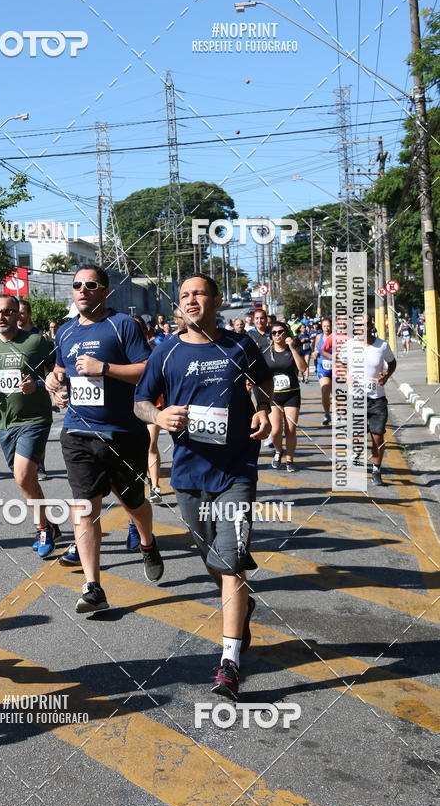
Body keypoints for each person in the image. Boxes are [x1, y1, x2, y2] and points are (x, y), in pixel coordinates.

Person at [135, 273, 273, 700]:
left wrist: (264, 410)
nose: (190, 300)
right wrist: (158, 417)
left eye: (198, 294)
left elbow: (265, 383)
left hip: (236, 472)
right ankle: (242, 605)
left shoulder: (239, 345)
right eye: (184, 296)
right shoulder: (166, 351)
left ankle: (229, 662)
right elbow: (140, 402)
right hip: (189, 476)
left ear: (215, 302)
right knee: (213, 561)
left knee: (231, 563)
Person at [45, 265, 164, 611]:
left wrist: (105, 368)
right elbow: (60, 371)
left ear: (105, 291)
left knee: (133, 503)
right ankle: (92, 586)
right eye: (77, 285)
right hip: (78, 432)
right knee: (84, 509)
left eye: (90, 285)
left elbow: (147, 370)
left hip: (123, 433)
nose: (82, 290)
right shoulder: (65, 332)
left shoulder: (122, 325)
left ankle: (147, 542)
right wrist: (54, 385)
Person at [0, 295, 56, 553]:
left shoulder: (35, 342)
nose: (1, 317)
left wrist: (39, 384)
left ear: (18, 314)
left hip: (35, 419)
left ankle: (42, 531)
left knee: (23, 476)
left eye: (7, 312)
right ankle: (49, 524)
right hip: (5, 423)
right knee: (25, 481)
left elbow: (55, 375)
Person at [265, 323, 307, 473]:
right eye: (274, 333)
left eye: (280, 332)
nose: (277, 335)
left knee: (291, 429)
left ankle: (290, 459)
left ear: (286, 333)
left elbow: (303, 368)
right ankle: (278, 451)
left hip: (292, 394)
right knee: (275, 430)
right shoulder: (267, 352)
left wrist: (293, 348)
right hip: (274, 396)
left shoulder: (292, 350)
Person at [361, 315, 396, 486]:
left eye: (366, 324)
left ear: (371, 325)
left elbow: (392, 363)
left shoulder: (381, 345)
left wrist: (387, 376)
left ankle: (376, 470)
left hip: (377, 399)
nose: (363, 327)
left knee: (377, 436)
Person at [313, 317, 332, 425]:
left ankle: (339, 415)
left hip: (336, 368)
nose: (326, 328)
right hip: (323, 368)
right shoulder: (319, 337)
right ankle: (326, 414)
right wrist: (315, 353)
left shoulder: (336, 337)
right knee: (325, 390)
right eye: (324, 326)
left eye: (328, 326)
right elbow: (316, 349)